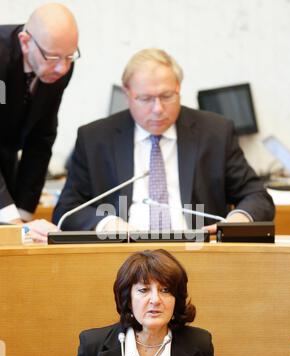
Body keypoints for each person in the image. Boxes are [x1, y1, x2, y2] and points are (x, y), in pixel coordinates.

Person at [53, 48, 274, 233]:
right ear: (128, 94)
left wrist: (237, 221)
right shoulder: (95, 138)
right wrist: (107, 224)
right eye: (146, 99)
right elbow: (66, 209)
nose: (158, 109)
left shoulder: (215, 132)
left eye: (167, 96)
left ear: (179, 89)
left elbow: (257, 196)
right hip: (122, 256)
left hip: (198, 250)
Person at [68, 249, 221, 356]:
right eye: (144, 290)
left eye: (165, 290)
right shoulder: (93, 346)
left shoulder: (199, 344)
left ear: (176, 299)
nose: (155, 299)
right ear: (128, 299)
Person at [0, 3, 79, 241]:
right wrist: (9, 217)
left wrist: (23, 215)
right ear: (25, 42)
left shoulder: (59, 65)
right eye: (53, 57)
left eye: (70, 56)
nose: (63, 67)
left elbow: (42, 136)